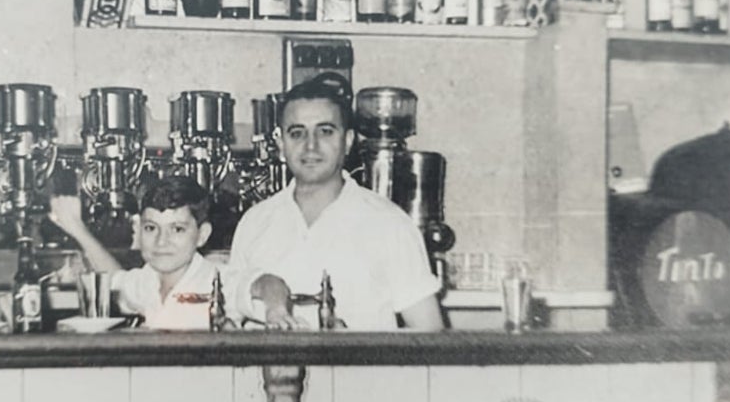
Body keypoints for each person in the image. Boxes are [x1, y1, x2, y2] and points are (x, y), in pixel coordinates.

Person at [228, 76, 445, 330]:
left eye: (325, 131)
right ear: (281, 145)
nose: (311, 146)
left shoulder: (389, 224)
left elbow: (430, 337)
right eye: (297, 133)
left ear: (348, 141)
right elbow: (227, 322)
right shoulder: (255, 222)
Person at [48, 175, 223, 330]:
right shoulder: (148, 280)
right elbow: (114, 280)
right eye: (151, 228)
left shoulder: (223, 283)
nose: (161, 241)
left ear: (202, 235)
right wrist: (76, 227)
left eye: (177, 229)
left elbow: (244, 296)